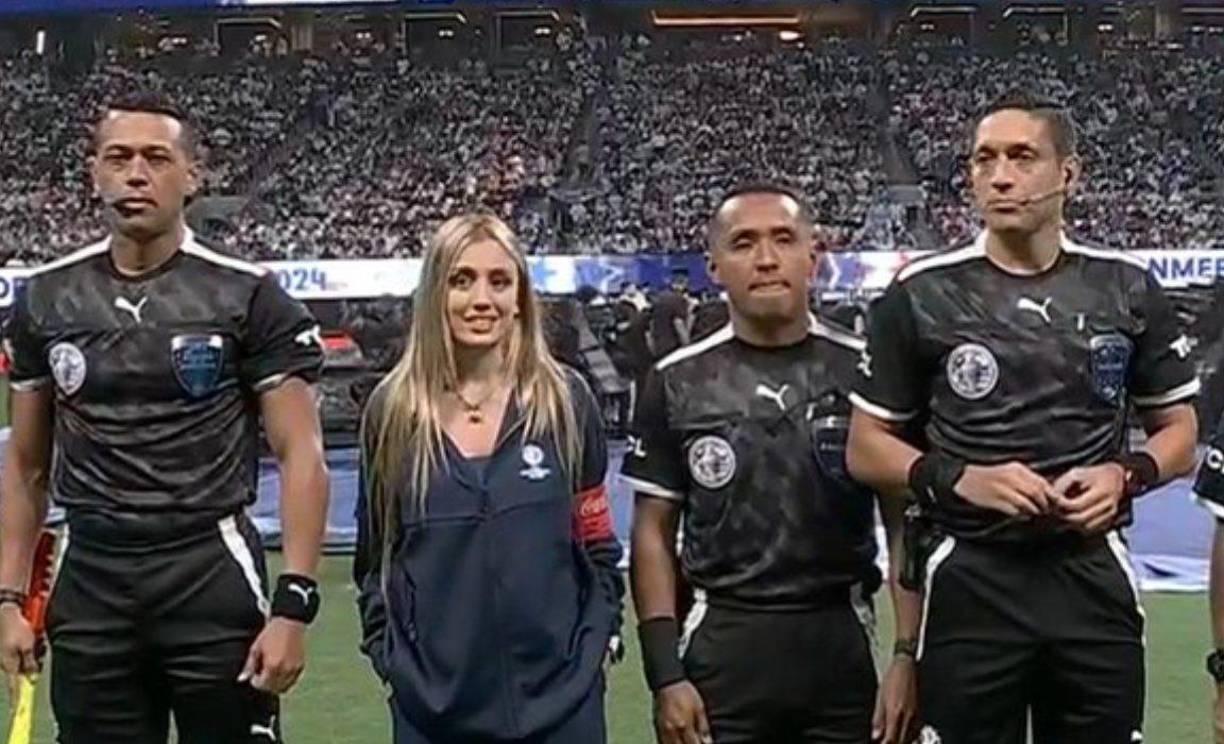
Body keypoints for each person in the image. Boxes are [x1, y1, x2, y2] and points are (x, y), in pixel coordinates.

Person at [847, 91, 1200, 744]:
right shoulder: (920, 293)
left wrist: (1127, 475)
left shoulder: (1127, 287)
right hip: (971, 575)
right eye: (984, 159)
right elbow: (866, 449)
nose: (1000, 175)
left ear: (1069, 174)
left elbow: (1180, 433)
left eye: (1022, 157)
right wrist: (958, 477)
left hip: (1092, 572)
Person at [0, 93, 330, 743]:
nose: (135, 173)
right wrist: (8, 599)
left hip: (209, 572)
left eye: (156, 157)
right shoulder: (44, 298)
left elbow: (302, 456)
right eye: (118, 158)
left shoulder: (250, 297)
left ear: (191, 175)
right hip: (92, 574)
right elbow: (27, 463)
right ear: (94, 171)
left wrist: (294, 604)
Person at [623, 183, 919, 744]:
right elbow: (653, 533)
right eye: (743, 243)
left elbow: (905, 522)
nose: (765, 258)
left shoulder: (866, 373)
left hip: (840, 642)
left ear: (815, 256)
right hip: (724, 646)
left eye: (783, 239)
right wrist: (665, 675)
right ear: (713, 266)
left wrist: (907, 655)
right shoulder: (675, 380)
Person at [353, 213, 624, 744]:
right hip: (434, 715)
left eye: (500, 281)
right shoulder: (392, 413)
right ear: (434, 292)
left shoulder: (565, 402)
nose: (482, 299)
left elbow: (596, 544)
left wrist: (596, 644)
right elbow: (376, 561)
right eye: (462, 280)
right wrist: (397, 665)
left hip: (564, 710)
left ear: (521, 295)